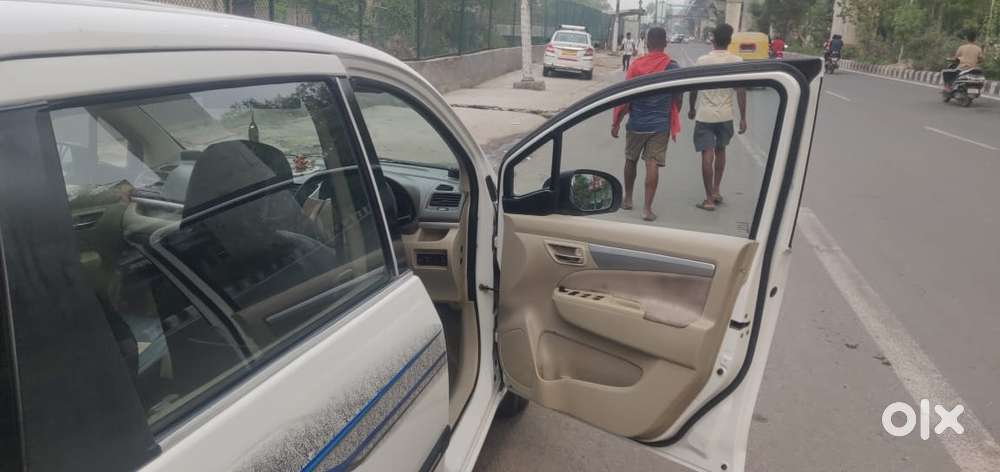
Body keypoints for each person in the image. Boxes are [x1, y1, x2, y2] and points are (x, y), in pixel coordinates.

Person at [611, 27, 682, 221]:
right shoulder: (673, 67)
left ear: (647, 44)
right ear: (665, 44)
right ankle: (647, 209)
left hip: (636, 123)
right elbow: (678, 96)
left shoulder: (636, 66)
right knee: (652, 163)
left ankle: (627, 199)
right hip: (660, 124)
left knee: (630, 159)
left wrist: (616, 122)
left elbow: (624, 98)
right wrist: (676, 113)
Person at [687, 23, 747, 212]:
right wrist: (743, 117)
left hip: (705, 115)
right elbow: (740, 91)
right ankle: (716, 190)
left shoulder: (702, 61)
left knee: (707, 154)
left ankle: (708, 199)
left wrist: (691, 108)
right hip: (726, 115)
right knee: (721, 151)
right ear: (729, 41)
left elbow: (694, 88)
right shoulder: (737, 62)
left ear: (713, 40)